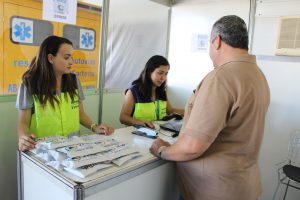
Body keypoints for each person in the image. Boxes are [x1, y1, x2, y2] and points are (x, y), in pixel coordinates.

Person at [150, 15, 270, 200]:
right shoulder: (257, 75)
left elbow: (193, 146)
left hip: (213, 190)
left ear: (217, 41)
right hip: (242, 185)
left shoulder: (221, 77)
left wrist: (161, 150)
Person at [16, 36, 114, 152]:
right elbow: (23, 122)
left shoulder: (73, 80)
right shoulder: (30, 83)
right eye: (67, 57)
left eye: (72, 57)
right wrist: (24, 138)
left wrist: (95, 127)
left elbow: (80, 114)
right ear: (51, 58)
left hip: (73, 147)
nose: (71, 62)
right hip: (44, 150)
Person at [119, 55, 184, 128]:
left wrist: (190, 110)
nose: (163, 78)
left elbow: (170, 111)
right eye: (160, 73)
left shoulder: (162, 91)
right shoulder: (133, 91)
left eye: (166, 74)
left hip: (158, 133)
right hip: (137, 134)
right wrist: (139, 122)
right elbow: (123, 117)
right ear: (149, 71)